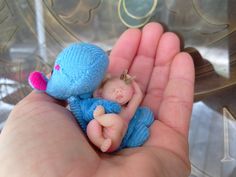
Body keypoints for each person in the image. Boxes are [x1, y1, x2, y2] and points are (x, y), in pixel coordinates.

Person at [0, 22, 194, 177]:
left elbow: (136, 99)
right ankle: (102, 141)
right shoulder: (91, 99)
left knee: (114, 121)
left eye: (122, 93)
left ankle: (103, 135)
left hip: (116, 130)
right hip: (101, 132)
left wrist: (134, 89)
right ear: (100, 91)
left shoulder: (123, 112)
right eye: (116, 90)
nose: (119, 93)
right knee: (94, 126)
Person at [87, 71, 143, 152]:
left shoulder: (128, 111)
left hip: (115, 140)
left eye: (122, 88)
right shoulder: (103, 103)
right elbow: (95, 94)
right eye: (112, 90)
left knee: (116, 120)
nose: (118, 91)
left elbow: (138, 95)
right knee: (92, 124)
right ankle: (100, 142)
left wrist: (131, 81)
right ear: (101, 95)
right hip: (103, 138)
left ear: (132, 91)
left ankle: (100, 118)